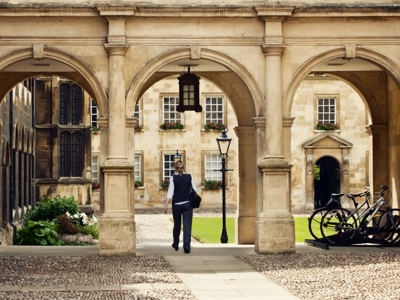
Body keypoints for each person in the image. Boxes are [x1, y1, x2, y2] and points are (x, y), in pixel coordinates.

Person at [163, 160, 197, 254]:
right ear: (183, 167)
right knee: (187, 226)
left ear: (175, 168)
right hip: (187, 203)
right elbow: (195, 190)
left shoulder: (173, 178)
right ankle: (186, 246)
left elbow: (170, 193)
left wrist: (165, 205)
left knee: (177, 225)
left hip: (177, 204)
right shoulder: (189, 177)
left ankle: (176, 243)